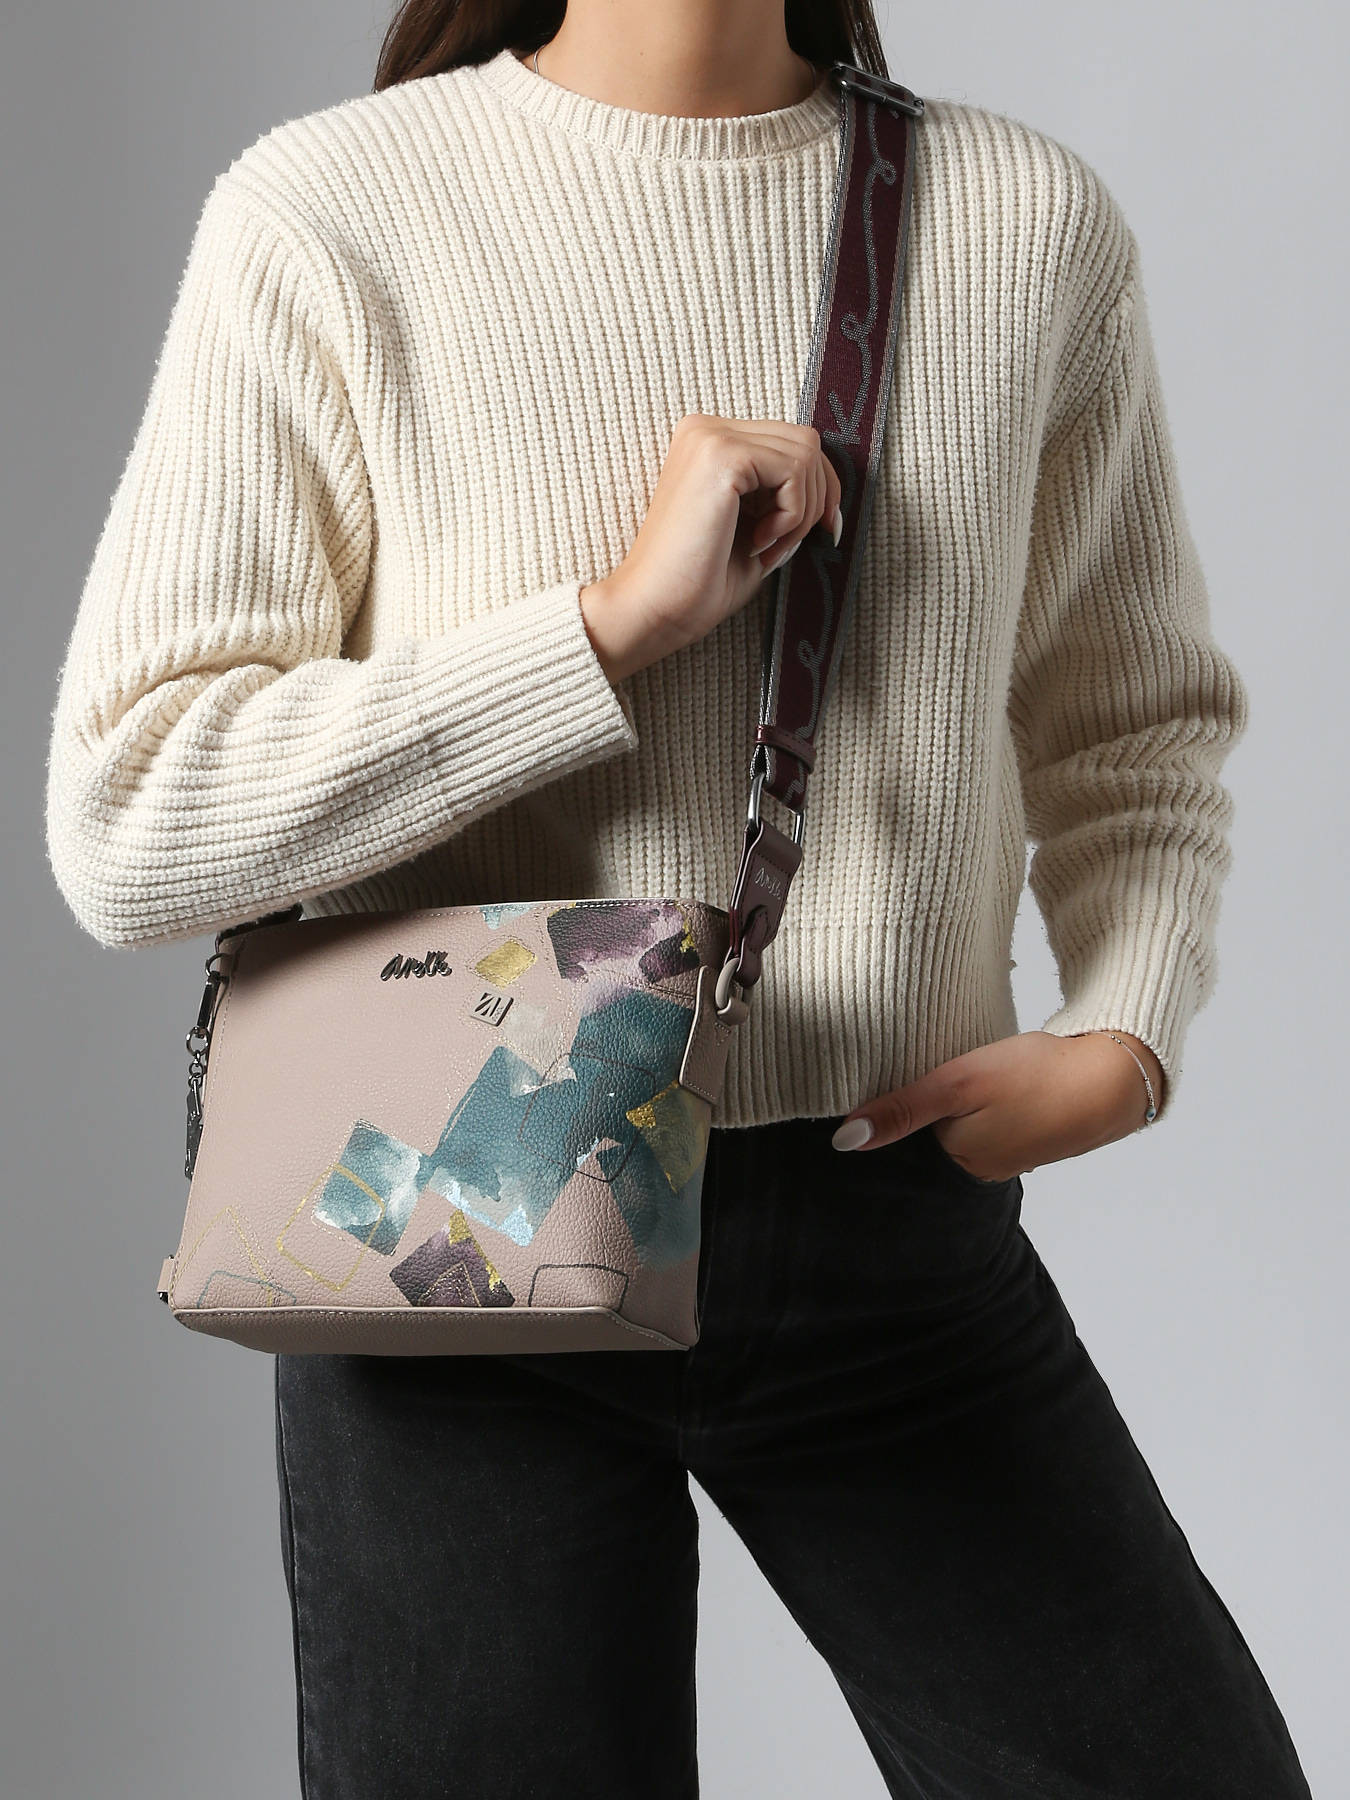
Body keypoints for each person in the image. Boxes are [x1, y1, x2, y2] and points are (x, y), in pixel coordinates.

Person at [44, 2, 1314, 1794]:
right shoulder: (331, 213)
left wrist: (1126, 1025)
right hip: (464, 1214)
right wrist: (605, 631)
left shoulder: (1018, 221)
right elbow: (131, 817)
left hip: (883, 1217)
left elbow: (1134, 719)